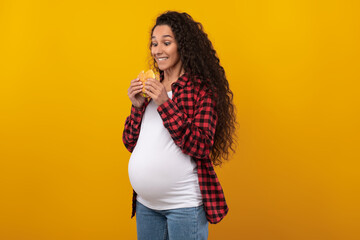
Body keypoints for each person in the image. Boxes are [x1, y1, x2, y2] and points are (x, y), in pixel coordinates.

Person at [123, 11, 237, 240]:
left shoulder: (202, 90)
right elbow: (129, 142)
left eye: (166, 42)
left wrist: (165, 103)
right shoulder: (150, 87)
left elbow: (201, 145)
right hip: (146, 205)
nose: (157, 50)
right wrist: (136, 107)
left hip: (184, 206)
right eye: (154, 44)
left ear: (182, 46)